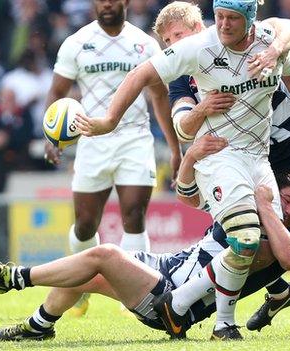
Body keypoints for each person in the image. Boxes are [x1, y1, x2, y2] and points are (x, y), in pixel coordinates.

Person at [75, 0, 290, 339]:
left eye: (232, 18)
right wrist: (110, 120)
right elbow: (157, 96)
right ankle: (181, 305)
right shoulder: (193, 55)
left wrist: (278, 56)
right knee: (244, 239)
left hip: (259, 159)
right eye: (219, 17)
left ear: (249, 19)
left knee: (269, 247)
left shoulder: (267, 43)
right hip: (220, 158)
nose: (225, 25)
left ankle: (229, 320)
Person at [152, 1, 290, 338]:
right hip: (249, 157)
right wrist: (188, 141)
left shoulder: (243, 38)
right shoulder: (183, 78)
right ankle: (262, 299)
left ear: (199, 28)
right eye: (166, 42)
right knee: (246, 237)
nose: (173, 46)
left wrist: (275, 54)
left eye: (177, 36)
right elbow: (181, 122)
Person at [0, 137, 290, 341]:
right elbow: (187, 196)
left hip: (174, 302)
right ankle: (38, 327)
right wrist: (190, 155)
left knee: (104, 254)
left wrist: (266, 205)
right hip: (165, 268)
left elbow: (289, 258)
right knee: (85, 271)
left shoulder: (281, 240)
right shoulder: (243, 211)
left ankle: (14, 278)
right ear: (277, 193)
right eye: (287, 199)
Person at [43, 0, 181, 314]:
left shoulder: (145, 44)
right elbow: (57, 92)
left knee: (134, 215)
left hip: (134, 138)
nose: (106, 3)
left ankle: (135, 294)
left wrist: (174, 148)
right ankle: (82, 287)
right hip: (92, 141)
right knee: (84, 226)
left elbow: (158, 96)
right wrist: (49, 136)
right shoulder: (76, 44)